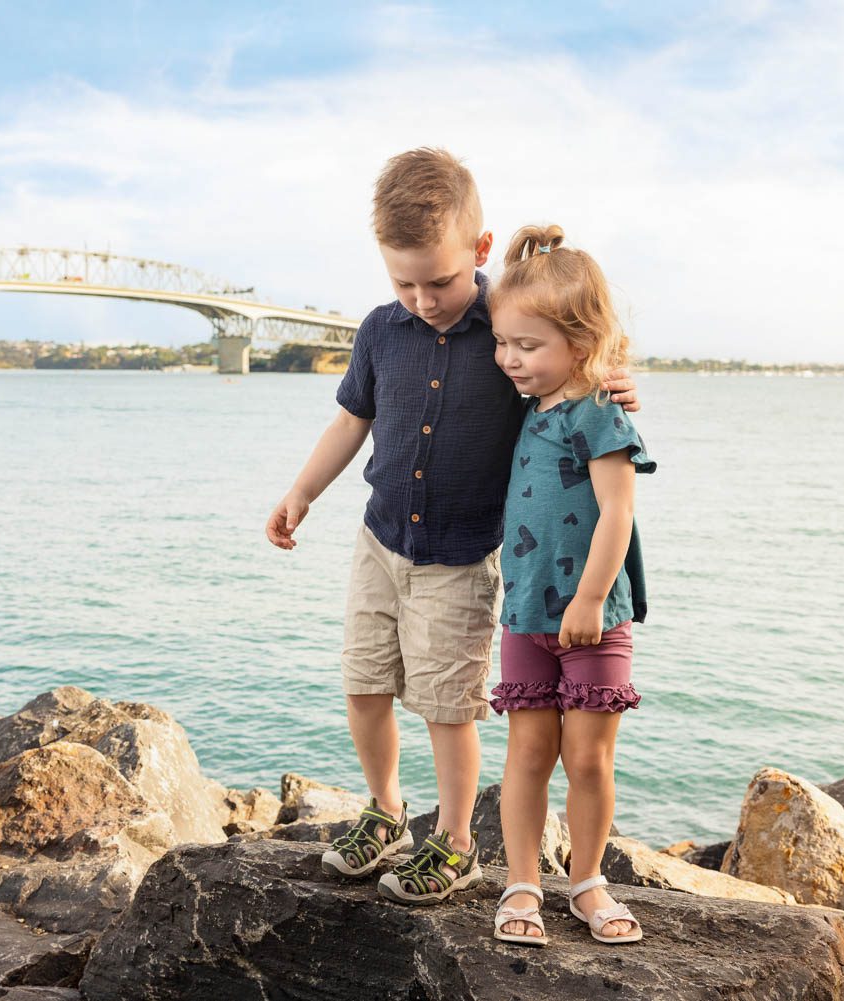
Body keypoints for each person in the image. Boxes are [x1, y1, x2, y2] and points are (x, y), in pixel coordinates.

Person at [265, 149, 640, 906]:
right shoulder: (380, 331)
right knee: (364, 681)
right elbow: (351, 420)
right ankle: (386, 808)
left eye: (437, 280)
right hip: (380, 541)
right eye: (402, 281)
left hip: (462, 558)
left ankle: (459, 840)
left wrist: (615, 377)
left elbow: (569, 365)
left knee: (447, 701)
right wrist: (301, 492)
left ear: (478, 251)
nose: (422, 297)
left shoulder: (505, 331)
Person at [486, 224, 655, 947]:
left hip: (593, 615)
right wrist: (514, 259)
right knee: (527, 752)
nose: (510, 359)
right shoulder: (528, 407)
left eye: (529, 347)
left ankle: (586, 878)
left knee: (587, 756)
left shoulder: (600, 412)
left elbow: (618, 508)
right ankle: (522, 878)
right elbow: (507, 308)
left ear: (581, 346)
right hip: (525, 609)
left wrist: (589, 598)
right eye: (504, 343)